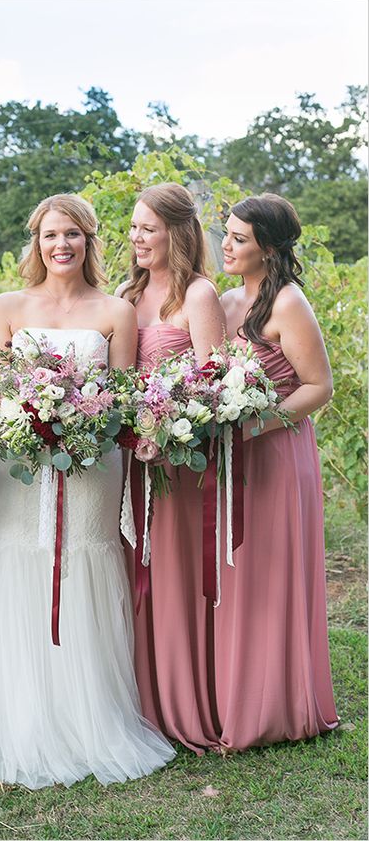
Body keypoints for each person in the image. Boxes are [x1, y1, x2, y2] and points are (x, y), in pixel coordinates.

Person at [0, 193, 175, 788]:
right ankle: (23, 719)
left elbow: (124, 398)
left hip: (92, 464)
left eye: (73, 235)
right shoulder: (8, 305)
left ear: (89, 243)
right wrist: (30, 418)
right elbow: (0, 391)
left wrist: (84, 426)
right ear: (36, 242)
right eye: (51, 235)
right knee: (20, 561)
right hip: (21, 462)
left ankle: (90, 720)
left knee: (85, 563)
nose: (61, 246)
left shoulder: (115, 312)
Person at [215, 192, 338, 750]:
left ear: (268, 248)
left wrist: (256, 425)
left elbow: (319, 386)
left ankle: (279, 703)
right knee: (236, 574)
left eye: (239, 239)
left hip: (278, 452)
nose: (226, 244)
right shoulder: (223, 301)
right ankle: (233, 694)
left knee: (271, 573)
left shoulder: (286, 302)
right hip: (231, 455)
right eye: (227, 233)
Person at [116, 182, 226, 755]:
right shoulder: (126, 291)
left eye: (147, 228)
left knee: (174, 577)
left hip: (176, 465)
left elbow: (213, 381)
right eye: (133, 227)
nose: (136, 238)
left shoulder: (200, 295)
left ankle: (180, 702)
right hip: (126, 463)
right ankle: (135, 699)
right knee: (133, 574)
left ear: (177, 233)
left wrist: (164, 429)